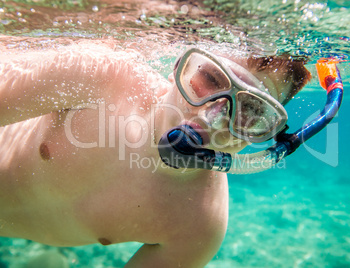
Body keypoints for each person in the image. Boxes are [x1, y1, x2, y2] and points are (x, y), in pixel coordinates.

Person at [0, 39, 311, 267]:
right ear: (179, 66)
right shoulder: (99, 77)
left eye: (250, 109)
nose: (212, 117)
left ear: (265, 130)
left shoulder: (199, 225)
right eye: (211, 79)